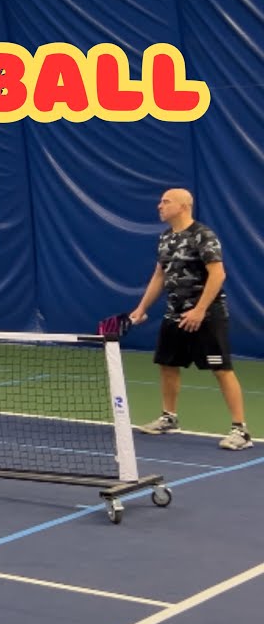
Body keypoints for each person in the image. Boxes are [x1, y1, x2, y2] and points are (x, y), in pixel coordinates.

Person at [131, 188, 251, 450]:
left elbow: (218, 275)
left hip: (207, 315)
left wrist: (199, 310)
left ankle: (240, 431)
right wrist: (141, 308)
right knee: (167, 364)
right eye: (160, 200)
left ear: (184, 206)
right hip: (174, 314)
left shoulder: (203, 235)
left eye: (166, 201)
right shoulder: (165, 238)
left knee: (221, 369)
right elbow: (159, 276)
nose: (159, 205)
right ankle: (169, 417)